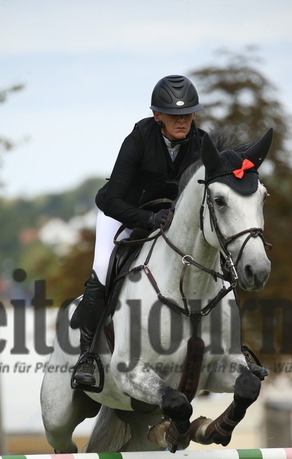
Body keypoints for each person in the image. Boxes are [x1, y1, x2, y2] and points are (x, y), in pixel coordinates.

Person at [72, 75, 205, 388]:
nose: (182, 121)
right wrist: (148, 218)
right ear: (158, 115)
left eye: (187, 115)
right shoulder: (140, 138)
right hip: (122, 215)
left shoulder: (200, 143)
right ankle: (87, 357)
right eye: (174, 116)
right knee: (103, 270)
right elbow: (108, 199)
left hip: (168, 222)